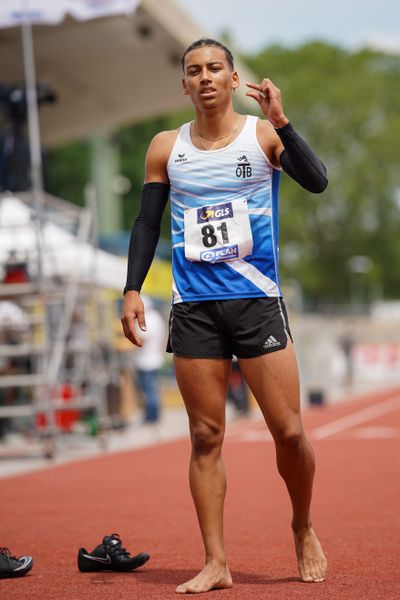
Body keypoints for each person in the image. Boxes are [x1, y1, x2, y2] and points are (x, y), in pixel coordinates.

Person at [121, 38, 328, 593]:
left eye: (215, 68)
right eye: (195, 71)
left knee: (288, 431)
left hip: (258, 301)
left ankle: (303, 524)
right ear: (183, 84)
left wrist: (283, 123)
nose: (205, 77)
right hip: (195, 308)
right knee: (205, 435)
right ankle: (216, 562)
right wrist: (132, 288)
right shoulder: (166, 146)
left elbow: (317, 180)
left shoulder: (261, 137)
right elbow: (146, 224)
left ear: (234, 79)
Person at [131, 296, 166, 423]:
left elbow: (142, 339)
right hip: (154, 358)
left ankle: (152, 416)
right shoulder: (157, 317)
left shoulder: (149, 319)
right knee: (153, 388)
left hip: (148, 361)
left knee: (148, 390)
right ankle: (152, 414)